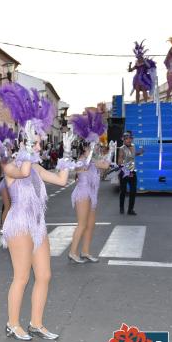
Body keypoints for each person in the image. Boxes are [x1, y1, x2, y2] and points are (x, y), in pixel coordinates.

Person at [0, 82, 77, 341]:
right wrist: (28, 148)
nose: (40, 146)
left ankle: (36, 323)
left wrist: (65, 153)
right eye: (37, 141)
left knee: (45, 275)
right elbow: (24, 172)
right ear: (25, 141)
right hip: (19, 224)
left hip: (38, 225)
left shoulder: (38, 167)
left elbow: (62, 180)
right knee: (21, 276)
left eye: (39, 142)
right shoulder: (10, 166)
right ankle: (12, 323)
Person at [68, 111, 116, 263]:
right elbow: (81, 167)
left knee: (90, 225)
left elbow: (105, 166)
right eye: (93, 147)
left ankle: (85, 251)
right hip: (82, 193)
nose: (96, 149)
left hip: (92, 195)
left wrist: (111, 152)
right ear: (86, 148)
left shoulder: (93, 160)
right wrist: (106, 154)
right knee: (82, 224)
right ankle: (72, 252)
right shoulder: (83, 160)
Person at [118, 132, 143, 215]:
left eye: (130, 138)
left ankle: (130, 210)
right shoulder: (122, 148)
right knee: (123, 191)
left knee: (133, 191)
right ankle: (121, 207)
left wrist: (140, 153)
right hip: (124, 172)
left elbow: (133, 154)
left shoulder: (133, 147)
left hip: (132, 172)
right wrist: (125, 170)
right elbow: (120, 160)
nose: (129, 140)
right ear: (124, 140)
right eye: (127, 139)